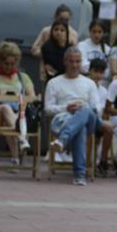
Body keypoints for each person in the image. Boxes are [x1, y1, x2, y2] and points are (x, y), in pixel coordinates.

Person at [45, 48, 102, 185]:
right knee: (79, 128)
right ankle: (79, 175)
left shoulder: (89, 83)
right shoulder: (53, 83)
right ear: (65, 62)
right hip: (63, 119)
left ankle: (63, 140)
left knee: (86, 109)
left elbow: (97, 107)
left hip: (88, 119)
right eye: (71, 61)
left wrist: (81, 109)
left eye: (78, 61)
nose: (74, 65)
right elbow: (48, 109)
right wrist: (66, 107)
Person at [0, 41, 37, 164]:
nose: (9, 67)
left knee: (10, 118)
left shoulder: (23, 77)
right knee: (5, 108)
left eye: (13, 64)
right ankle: (22, 138)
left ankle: (15, 158)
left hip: (19, 112)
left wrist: (18, 97)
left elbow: (32, 97)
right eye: (6, 64)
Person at [87, 57, 116, 175]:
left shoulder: (104, 91)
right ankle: (86, 163)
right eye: (95, 71)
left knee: (109, 127)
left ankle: (102, 161)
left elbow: (103, 110)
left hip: (97, 120)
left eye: (101, 72)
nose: (98, 75)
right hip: (85, 119)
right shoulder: (84, 85)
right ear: (90, 71)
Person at [77, 21, 110, 85]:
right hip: (85, 82)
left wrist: (95, 71)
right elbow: (82, 66)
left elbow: (108, 71)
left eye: (99, 32)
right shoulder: (82, 45)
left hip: (101, 84)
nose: (96, 35)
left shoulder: (107, 49)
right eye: (94, 32)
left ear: (103, 33)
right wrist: (100, 70)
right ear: (89, 32)